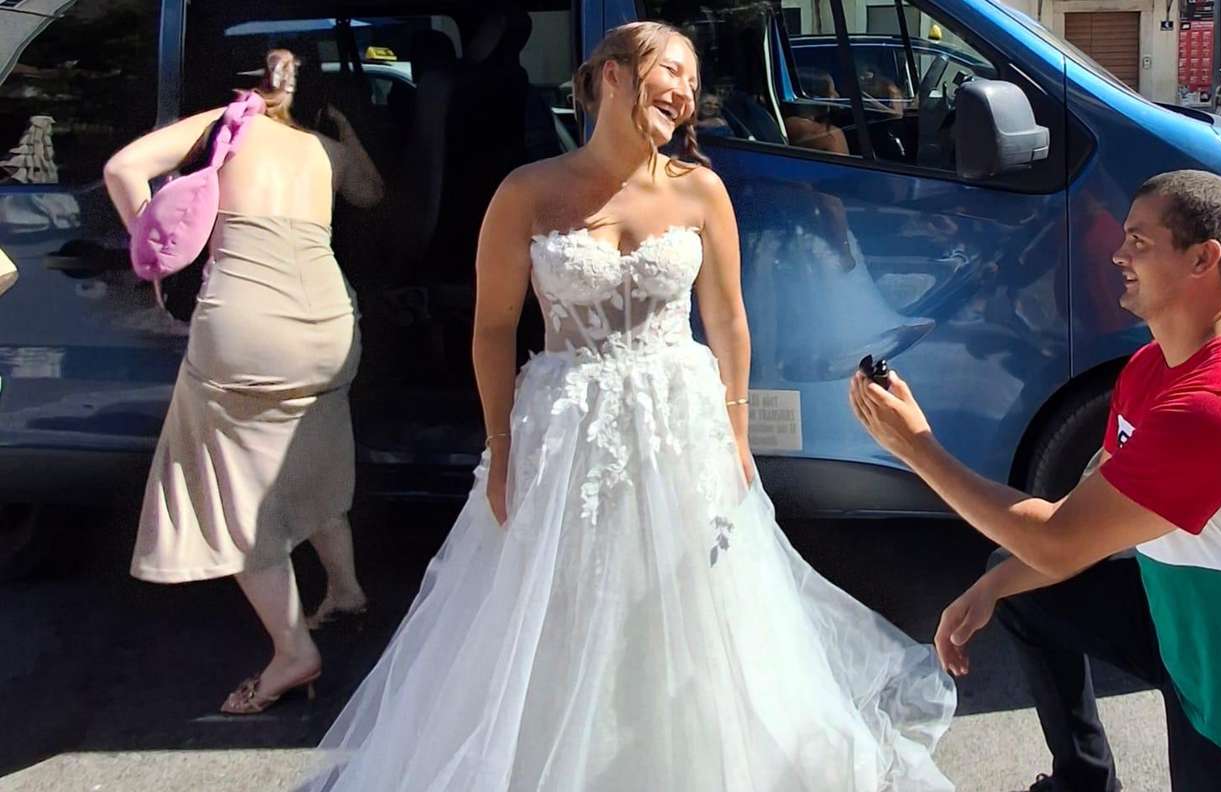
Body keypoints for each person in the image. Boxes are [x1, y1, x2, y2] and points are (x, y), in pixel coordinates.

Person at [305, 22, 955, 791]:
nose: (685, 92)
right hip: (563, 426)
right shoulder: (527, 191)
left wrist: (735, 434)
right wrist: (500, 451)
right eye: (671, 70)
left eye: (692, 82)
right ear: (611, 74)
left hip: (680, 420)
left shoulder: (699, 190)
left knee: (692, 603)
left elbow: (727, 320)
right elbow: (491, 330)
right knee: (562, 605)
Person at [850, 170, 1221, 791]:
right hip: (1199, 626)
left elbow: (1059, 542)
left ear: (1203, 259)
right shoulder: (1151, 368)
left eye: (1139, 240)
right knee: (1020, 580)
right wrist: (993, 587)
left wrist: (915, 447)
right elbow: (1080, 521)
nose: (1117, 253)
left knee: (1037, 558)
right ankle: (1083, 780)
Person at [105, 49, 383, 715]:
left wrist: (157, 243)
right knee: (315, 456)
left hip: (248, 325)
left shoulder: (226, 126)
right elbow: (372, 194)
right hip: (331, 325)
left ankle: (293, 652)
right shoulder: (325, 150)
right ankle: (345, 591)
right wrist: (346, 131)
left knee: (232, 491)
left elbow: (122, 168)